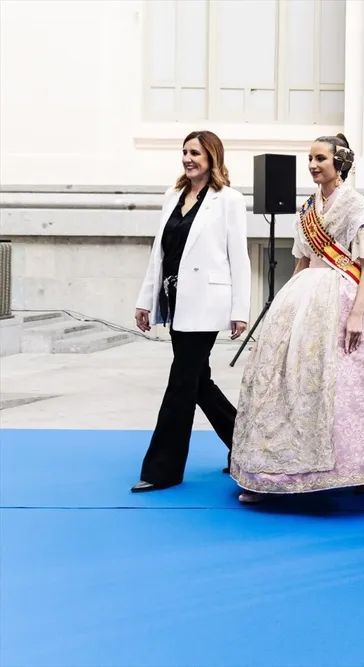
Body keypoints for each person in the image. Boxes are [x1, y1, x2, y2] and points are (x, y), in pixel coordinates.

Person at [229, 134, 364, 504]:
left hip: (349, 293)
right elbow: (303, 259)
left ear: (338, 162)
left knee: (358, 387)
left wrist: (357, 313)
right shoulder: (307, 208)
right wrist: (284, 309)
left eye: (320, 158)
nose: (312, 165)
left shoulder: (358, 207)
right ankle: (274, 474)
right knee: (290, 385)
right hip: (306, 295)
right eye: (309, 158)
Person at [131, 130, 251, 493]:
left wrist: (240, 308)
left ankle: (162, 470)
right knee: (199, 382)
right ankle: (248, 449)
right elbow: (159, 253)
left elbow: (239, 256)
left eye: (195, 152)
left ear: (212, 156)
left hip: (207, 303)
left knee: (182, 381)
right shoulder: (173, 196)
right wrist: (145, 299)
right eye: (184, 151)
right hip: (174, 301)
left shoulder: (228, 199)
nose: (188, 158)